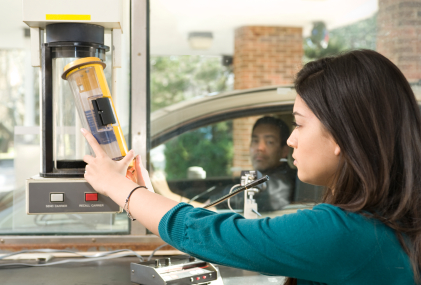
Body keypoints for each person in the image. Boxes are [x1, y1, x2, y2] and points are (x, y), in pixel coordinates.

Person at [81, 49, 419, 284]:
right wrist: (146, 197)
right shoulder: (387, 226)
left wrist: (121, 189)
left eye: (298, 124)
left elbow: (218, 235)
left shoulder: (345, 233)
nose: (291, 141)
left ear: (341, 137)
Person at [211, 116, 296, 212]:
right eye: (255, 141)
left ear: (284, 150)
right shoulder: (263, 175)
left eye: (269, 142)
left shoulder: (286, 178)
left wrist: (214, 203)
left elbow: (270, 194)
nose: (260, 147)